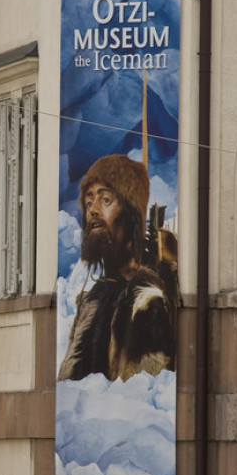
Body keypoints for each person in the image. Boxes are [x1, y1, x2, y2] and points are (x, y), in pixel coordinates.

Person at [58, 154, 177, 382]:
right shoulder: (97, 294)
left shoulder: (147, 298)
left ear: (131, 212)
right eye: (89, 201)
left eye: (105, 200)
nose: (93, 210)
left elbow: (141, 391)